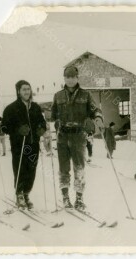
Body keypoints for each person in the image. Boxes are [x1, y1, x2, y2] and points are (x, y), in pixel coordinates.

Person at [51, 66, 104, 210]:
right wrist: (52, 125)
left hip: (78, 136)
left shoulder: (85, 95)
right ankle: (65, 198)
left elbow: (95, 110)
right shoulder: (58, 95)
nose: (70, 79)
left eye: (72, 77)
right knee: (63, 168)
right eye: (67, 77)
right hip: (62, 136)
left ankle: (79, 199)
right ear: (64, 78)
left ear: (77, 78)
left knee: (79, 167)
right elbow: (53, 114)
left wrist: (98, 118)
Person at [2, 80, 47, 209]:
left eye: (28, 89)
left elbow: (42, 122)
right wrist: (17, 130)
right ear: (18, 91)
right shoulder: (11, 108)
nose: (27, 91)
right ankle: (19, 194)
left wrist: (41, 129)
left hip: (33, 144)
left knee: (31, 170)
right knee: (20, 169)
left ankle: (26, 193)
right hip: (19, 145)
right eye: (24, 89)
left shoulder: (36, 107)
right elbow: (4, 127)